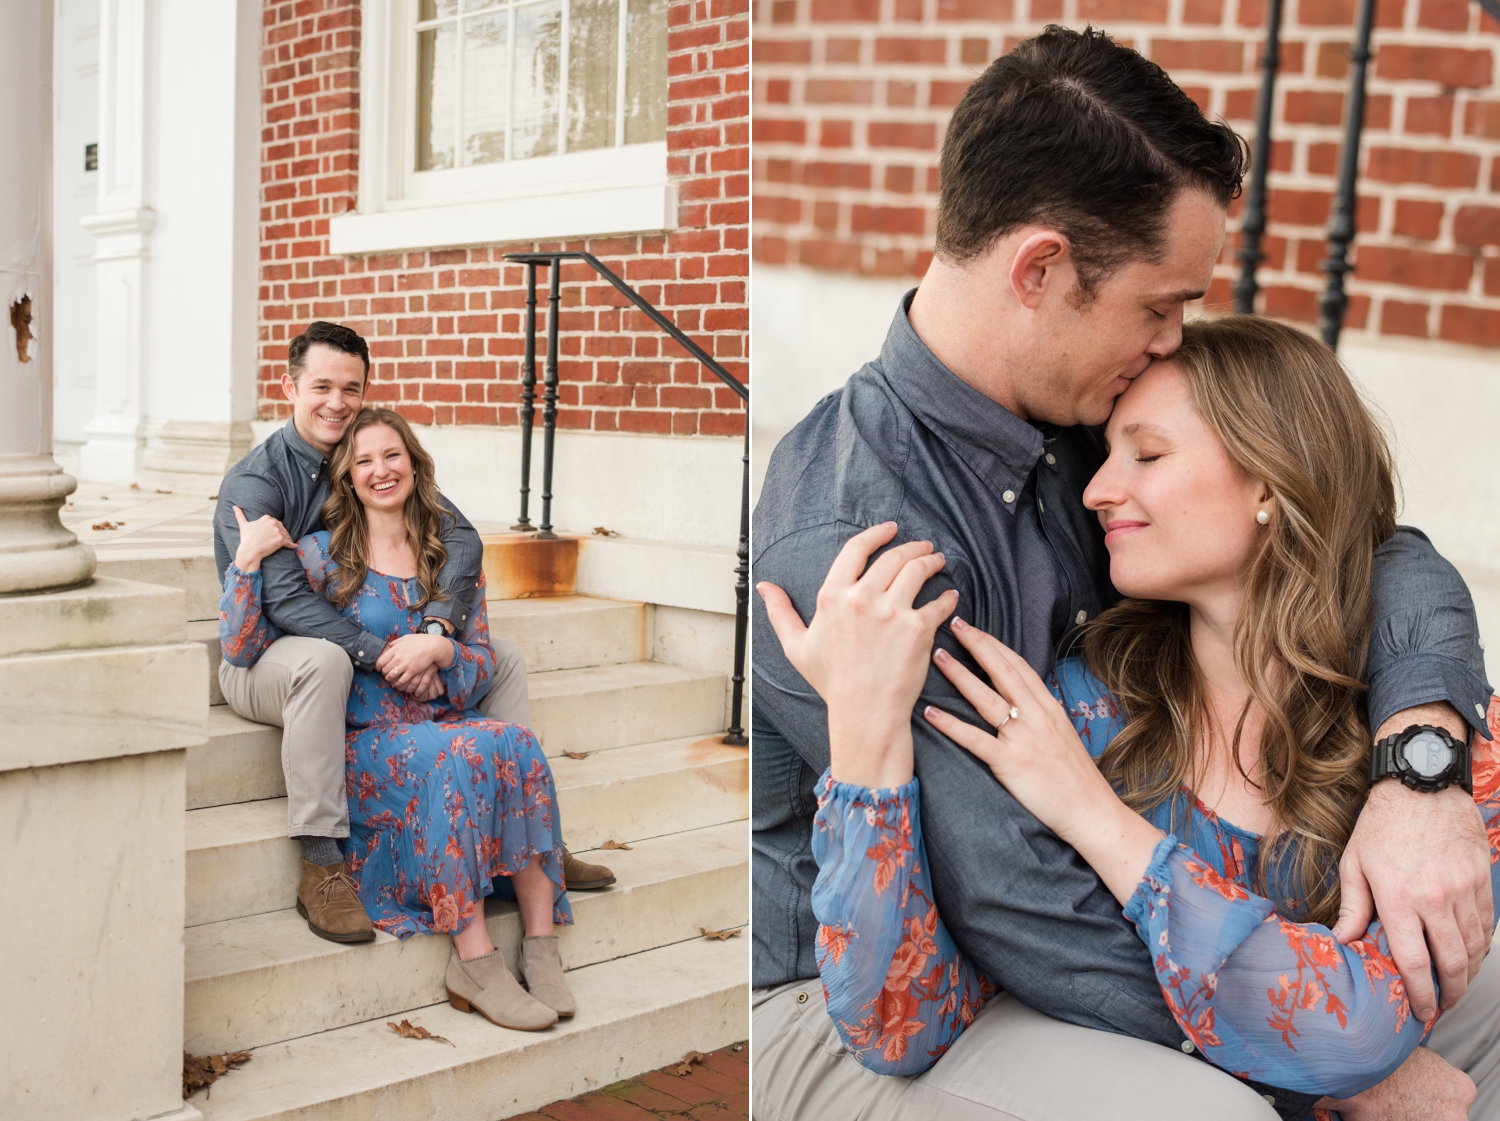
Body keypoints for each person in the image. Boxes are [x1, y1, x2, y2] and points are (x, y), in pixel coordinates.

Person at [750, 28, 1494, 1121]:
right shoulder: (855, 536)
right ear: (1042, 269)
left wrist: (1417, 766)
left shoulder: (1087, 401)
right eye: (1161, 305)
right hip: (871, 988)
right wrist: (1337, 1055)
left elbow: (1362, 539)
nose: (1173, 340)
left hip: (1135, 924)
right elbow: (1009, 902)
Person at [213, 321, 613, 945]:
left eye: (351, 387)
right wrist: (385, 654)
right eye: (321, 386)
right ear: (288, 387)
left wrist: (435, 629)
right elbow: (285, 600)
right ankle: (320, 860)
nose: (336, 403)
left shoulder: (368, 450)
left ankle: (533, 840)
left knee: (500, 658)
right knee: (325, 661)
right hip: (265, 655)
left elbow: (460, 536)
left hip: (352, 644)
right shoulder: (256, 484)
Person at [221, 406, 575, 1030]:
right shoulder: (319, 556)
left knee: (515, 741)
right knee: (456, 755)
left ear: (413, 463)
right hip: (370, 741)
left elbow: (481, 657)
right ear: (347, 477)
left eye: (392, 455)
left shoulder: (447, 552)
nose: (380, 471)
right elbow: (244, 646)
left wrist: (441, 649)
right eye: (363, 461)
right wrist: (246, 562)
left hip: (438, 721)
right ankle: (472, 960)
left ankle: (542, 946)